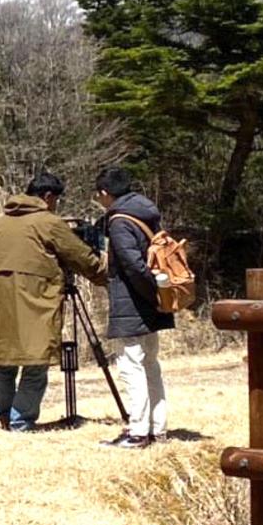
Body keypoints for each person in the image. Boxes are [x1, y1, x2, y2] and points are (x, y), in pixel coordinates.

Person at [0, 172, 107, 432]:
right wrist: (107, 275)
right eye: (56, 201)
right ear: (48, 196)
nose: (56, 206)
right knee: (35, 362)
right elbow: (81, 257)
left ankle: (2, 418)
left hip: (0, 304)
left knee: (4, 362)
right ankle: (20, 421)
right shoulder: (48, 222)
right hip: (35, 300)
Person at [94, 166, 174, 449]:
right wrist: (159, 296)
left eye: (99, 195)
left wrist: (149, 294)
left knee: (131, 366)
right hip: (154, 300)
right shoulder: (146, 213)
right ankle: (157, 429)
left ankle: (138, 432)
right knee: (150, 364)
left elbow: (133, 266)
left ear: (105, 193)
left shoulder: (119, 222)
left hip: (134, 302)